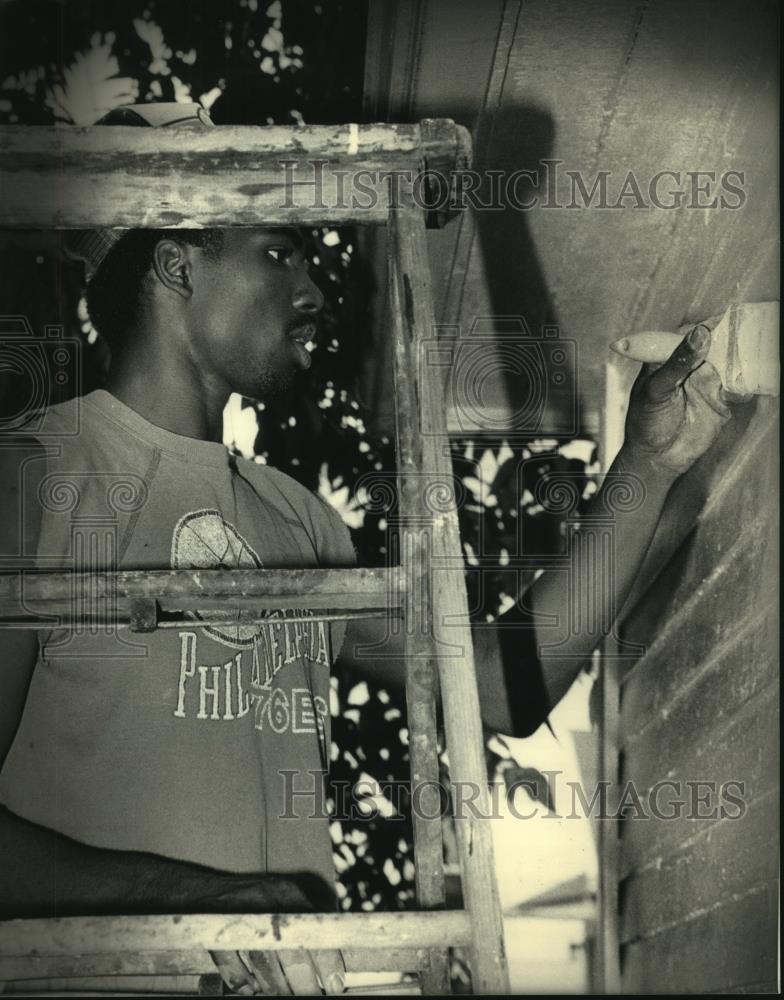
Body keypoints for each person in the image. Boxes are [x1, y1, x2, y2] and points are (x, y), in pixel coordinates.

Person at [0, 104, 738, 994]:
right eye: (279, 253)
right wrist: (197, 903)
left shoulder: (298, 520)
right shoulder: (34, 474)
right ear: (176, 263)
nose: (313, 290)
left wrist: (651, 464)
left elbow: (499, 688)